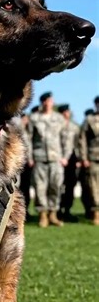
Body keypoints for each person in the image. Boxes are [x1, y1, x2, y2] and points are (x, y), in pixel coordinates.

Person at [27, 92, 70, 227]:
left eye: (50, 100)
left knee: (56, 186)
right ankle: (43, 216)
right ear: (42, 102)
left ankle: (53, 214)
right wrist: (30, 156)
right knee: (40, 188)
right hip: (39, 158)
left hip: (56, 158)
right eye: (46, 100)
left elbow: (66, 138)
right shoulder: (34, 118)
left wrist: (65, 156)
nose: (49, 103)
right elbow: (28, 139)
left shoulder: (59, 118)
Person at [57, 104, 80, 222]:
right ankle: (58, 210)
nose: (66, 113)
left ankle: (67, 210)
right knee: (59, 186)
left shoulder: (74, 127)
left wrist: (79, 159)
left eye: (67, 111)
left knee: (70, 186)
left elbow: (78, 143)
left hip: (71, 160)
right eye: (64, 112)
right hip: (58, 158)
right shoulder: (56, 126)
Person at [78, 96, 99, 225]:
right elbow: (82, 140)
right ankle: (96, 213)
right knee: (94, 187)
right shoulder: (89, 120)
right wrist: (84, 158)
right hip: (93, 158)